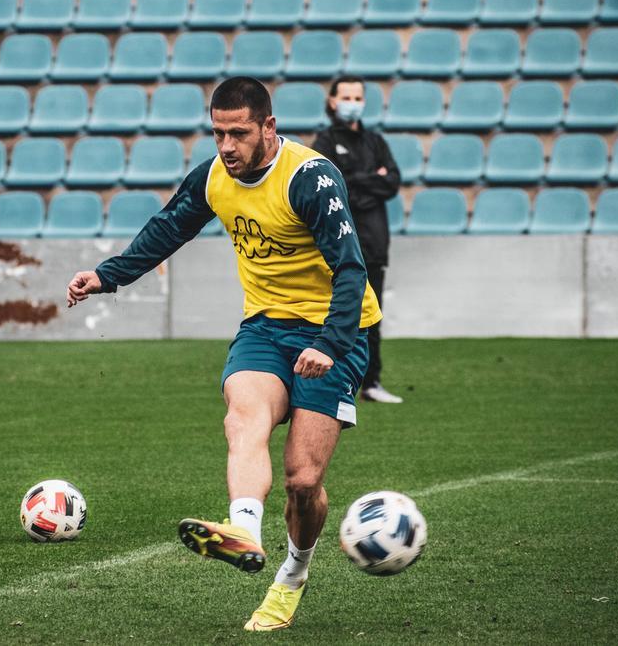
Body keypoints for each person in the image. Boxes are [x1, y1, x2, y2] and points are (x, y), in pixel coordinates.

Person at [65, 77, 381, 631]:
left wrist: (330, 345)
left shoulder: (310, 177)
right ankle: (244, 532)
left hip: (336, 331)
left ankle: (293, 576)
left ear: (268, 128)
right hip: (264, 328)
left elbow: (352, 269)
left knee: (303, 482)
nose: (227, 146)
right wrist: (106, 275)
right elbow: (167, 229)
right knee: (244, 417)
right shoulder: (215, 176)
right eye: (218, 133)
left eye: (239, 133)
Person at [311, 76, 404, 404]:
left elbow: (392, 181)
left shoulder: (375, 141)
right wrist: (369, 181)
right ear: (333, 101)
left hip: (374, 242)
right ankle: (335, 378)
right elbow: (331, 187)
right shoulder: (322, 143)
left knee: (372, 315)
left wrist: (355, 182)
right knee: (336, 312)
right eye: (347, 96)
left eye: (358, 96)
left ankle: (372, 382)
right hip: (339, 244)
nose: (353, 101)